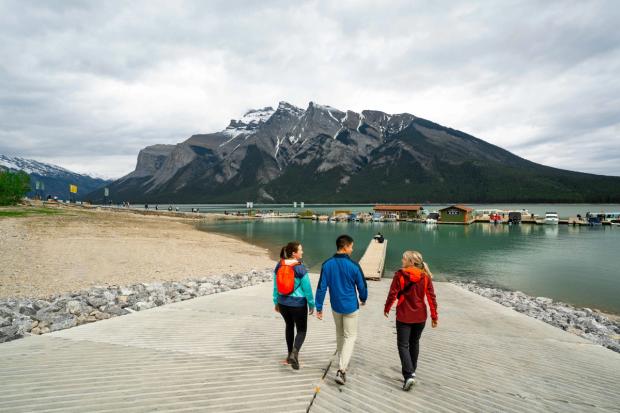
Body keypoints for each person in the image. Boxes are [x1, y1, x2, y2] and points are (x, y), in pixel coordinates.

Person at [315, 235, 368, 385]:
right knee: (350, 337)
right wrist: (363, 298)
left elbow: (321, 287)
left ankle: (341, 361)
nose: (353, 249)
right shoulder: (354, 266)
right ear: (345, 247)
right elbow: (362, 286)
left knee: (340, 333)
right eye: (352, 246)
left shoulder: (327, 264)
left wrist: (319, 307)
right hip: (351, 307)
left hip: (336, 307)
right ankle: (341, 369)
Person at [384, 251, 438, 391]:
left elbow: (392, 294)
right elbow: (431, 298)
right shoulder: (425, 276)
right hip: (420, 316)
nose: (401, 260)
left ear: (411, 262)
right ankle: (412, 371)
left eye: (404, 258)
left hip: (404, 315)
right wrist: (434, 316)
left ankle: (408, 375)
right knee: (414, 342)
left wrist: (387, 308)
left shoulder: (400, 275)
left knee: (403, 345)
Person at [273, 241, 315, 370]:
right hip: (298, 304)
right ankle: (294, 354)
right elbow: (307, 288)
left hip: (283, 302)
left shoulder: (279, 265)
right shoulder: (300, 268)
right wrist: (311, 304)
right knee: (301, 330)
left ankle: (288, 355)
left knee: (289, 326)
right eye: (300, 250)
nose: (302, 252)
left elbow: (275, 285)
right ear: (294, 253)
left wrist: (276, 301)